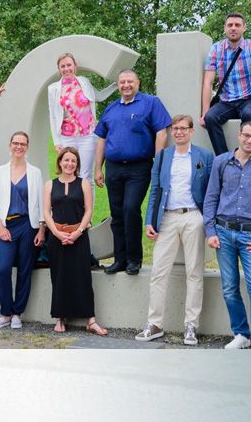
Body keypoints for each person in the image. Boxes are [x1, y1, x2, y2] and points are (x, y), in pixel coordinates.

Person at [135, 115, 214, 345]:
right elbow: (156, 190)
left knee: (194, 272)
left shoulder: (204, 156)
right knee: (159, 270)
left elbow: (210, 194)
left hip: (193, 216)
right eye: (175, 129)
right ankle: (155, 323)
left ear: (191, 131)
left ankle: (191, 325)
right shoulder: (162, 157)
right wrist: (150, 220)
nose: (178, 132)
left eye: (183, 128)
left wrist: (208, 223)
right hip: (168, 218)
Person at [203, 121, 251, 350]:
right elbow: (211, 197)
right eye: (246, 135)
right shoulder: (221, 162)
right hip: (223, 234)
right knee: (229, 287)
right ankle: (241, 334)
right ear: (239, 135)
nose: (250, 140)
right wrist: (210, 231)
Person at [93, 69, 171, 275]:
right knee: (117, 214)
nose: (126, 85)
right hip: (113, 168)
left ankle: (134, 259)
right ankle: (120, 259)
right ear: (118, 85)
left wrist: (158, 161)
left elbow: (162, 132)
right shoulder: (110, 109)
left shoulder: (151, 103)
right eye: (122, 82)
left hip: (139, 167)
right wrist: (97, 168)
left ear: (138, 83)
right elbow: (101, 139)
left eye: (130, 81)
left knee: (130, 209)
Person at [44, 147, 107, 335]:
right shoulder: (49, 184)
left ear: (77, 164)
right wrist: (56, 232)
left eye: (73, 161)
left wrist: (78, 232)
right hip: (57, 237)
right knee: (59, 277)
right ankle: (60, 318)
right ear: (60, 162)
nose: (70, 164)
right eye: (66, 160)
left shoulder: (84, 184)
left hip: (79, 237)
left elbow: (89, 210)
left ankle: (91, 320)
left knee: (83, 277)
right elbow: (47, 212)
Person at [0, 131, 46, 329]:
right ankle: (5, 313)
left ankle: (16, 314)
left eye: (23, 143)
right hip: (6, 225)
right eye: (15, 143)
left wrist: (41, 229)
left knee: (24, 270)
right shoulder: (0, 171)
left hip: (27, 226)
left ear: (27, 147)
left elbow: (40, 202)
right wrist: (0, 226)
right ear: (10, 145)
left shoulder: (35, 172)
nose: (19, 147)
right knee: (3, 269)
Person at [200, 12, 251, 154]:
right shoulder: (216, 49)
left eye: (237, 25)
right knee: (210, 118)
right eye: (230, 25)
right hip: (226, 101)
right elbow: (208, 82)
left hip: (248, 99)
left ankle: (244, 155)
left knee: (249, 115)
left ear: (244, 28)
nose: (233, 28)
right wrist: (204, 113)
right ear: (224, 28)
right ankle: (225, 158)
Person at [47, 52, 101, 181]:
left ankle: (87, 202)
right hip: (67, 138)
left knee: (86, 176)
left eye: (69, 65)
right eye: (63, 66)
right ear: (59, 69)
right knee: (70, 174)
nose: (66, 69)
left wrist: (116, 84)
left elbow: (99, 96)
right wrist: (57, 142)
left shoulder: (84, 82)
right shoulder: (53, 89)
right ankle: (73, 201)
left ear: (75, 65)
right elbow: (53, 116)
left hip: (88, 135)